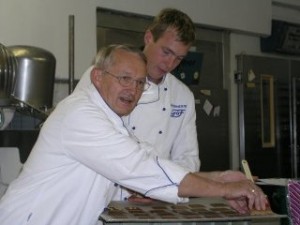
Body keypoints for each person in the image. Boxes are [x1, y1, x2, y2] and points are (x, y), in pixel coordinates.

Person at [0, 44, 268, 225]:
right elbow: (140, 167)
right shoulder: (80, 115)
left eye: (140, 83)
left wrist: (220, 176)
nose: (133, 90)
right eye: (124, 78)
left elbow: (145, 161)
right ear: (97, 77)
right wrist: (224, 189)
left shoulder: (110, 120)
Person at [76, 8, 200, 173]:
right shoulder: (103, 76)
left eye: (179, 58)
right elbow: (83, 135)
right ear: (149, 38)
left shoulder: (182, 96)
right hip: (105, 187)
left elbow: (188, 158)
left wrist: (159, 186)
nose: (170, 64)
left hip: (157, 191)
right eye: (166, 52)